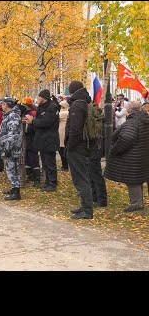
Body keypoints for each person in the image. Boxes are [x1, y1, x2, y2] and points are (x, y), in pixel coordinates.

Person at [104, 101, 149, 212]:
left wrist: (115, 150)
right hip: (142, 155)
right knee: (137, 179)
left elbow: (127, 138)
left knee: (132, 180)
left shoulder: (133, 122)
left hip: (133, 157)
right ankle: (138, 202)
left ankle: (136, 204)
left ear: (128, 110)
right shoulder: (143, 120)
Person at [65, 81, 93, 219]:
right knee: (83, 176)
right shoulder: (85, 101)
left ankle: (87, 210)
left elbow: (75, 130)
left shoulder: (77, 104)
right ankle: (85, 206)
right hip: (84, 145)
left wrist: (69, 146)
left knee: (80, 178)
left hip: (77, 147)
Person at [24, 89, 60, 192]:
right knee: (45, 162)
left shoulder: (52, 107)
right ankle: (48, 182)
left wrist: (33, 121)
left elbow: (45, 122)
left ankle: (52, 183)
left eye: (39, 97)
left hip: (49, 139)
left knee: (50, 162)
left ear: (44, 98)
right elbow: (39, 121)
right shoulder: (41, 107)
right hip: (42, 139)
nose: (37, 99)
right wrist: (32, 121)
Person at [0, 97, 23, 200]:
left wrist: (7, 148)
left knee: (12, 169)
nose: (2, 106)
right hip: (10, 147)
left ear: (6, 105)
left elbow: (12, 134)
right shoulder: (10, 115)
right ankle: (14, 188)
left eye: (3, 104)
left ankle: (16, 192)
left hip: (12, 148)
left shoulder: (13, 116)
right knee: (12, 169)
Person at [58, 99, 69, 170]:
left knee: (62, 150)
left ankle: (65, 165)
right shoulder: (67, 112)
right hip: (64, 133)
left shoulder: (63, 113)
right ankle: (65, 165)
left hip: (62, 133)